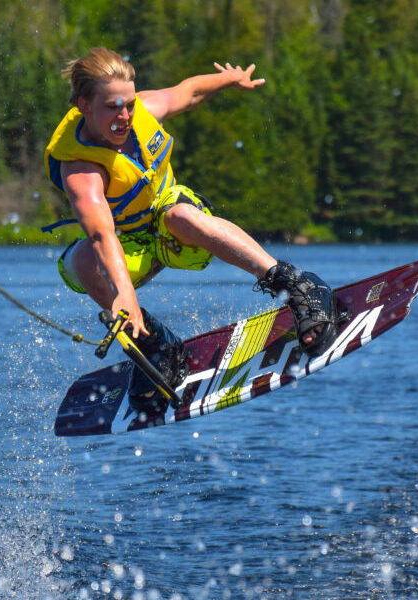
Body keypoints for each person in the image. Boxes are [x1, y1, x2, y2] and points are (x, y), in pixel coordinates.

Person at [44, 47, 338, 413]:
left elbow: (189, 92)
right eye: (112, 107)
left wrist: (229, 79)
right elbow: (102, 235)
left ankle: (296, 284)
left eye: (129, 105)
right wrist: (124, 298)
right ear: (83, 105)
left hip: (176, 230)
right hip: (130, 245)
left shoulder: (142, 112)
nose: (124, 116)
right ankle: (154, 345)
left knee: (179, 216)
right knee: (82, 261)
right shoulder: (81, 171)